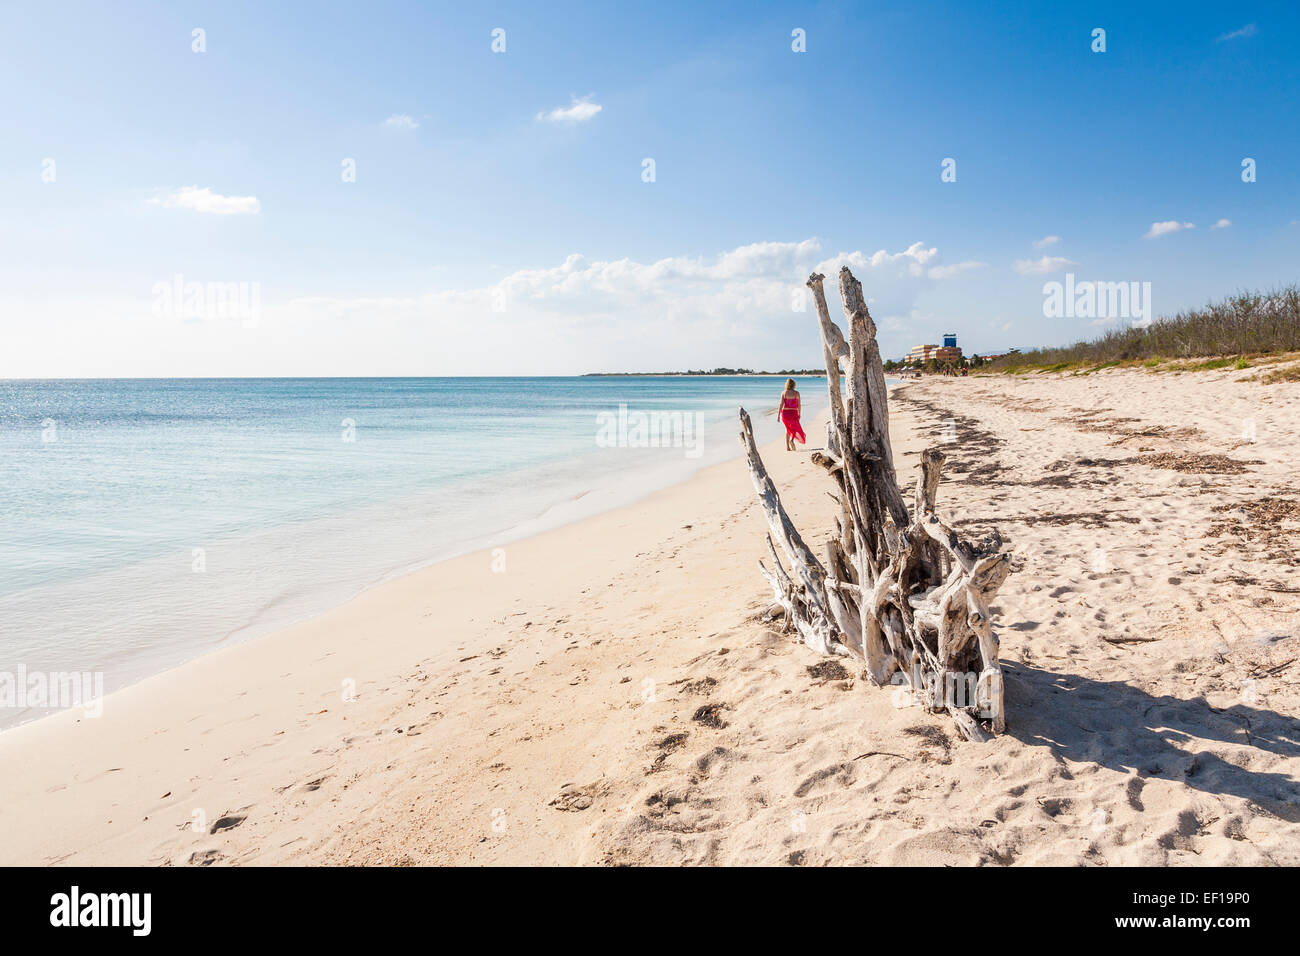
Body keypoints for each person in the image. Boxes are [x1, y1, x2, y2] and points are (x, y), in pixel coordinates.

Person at [777, 378, 805, 451]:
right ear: (794, 385)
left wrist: (778, 415)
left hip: (785, 413)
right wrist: (799, 413)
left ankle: (787, 447)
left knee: (788, 429)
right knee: (794, 428)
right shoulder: (796, 393)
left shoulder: (784, 393)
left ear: (786, 384)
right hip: (793, 413)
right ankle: (792, 440)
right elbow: (799, 405)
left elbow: (781, 404)